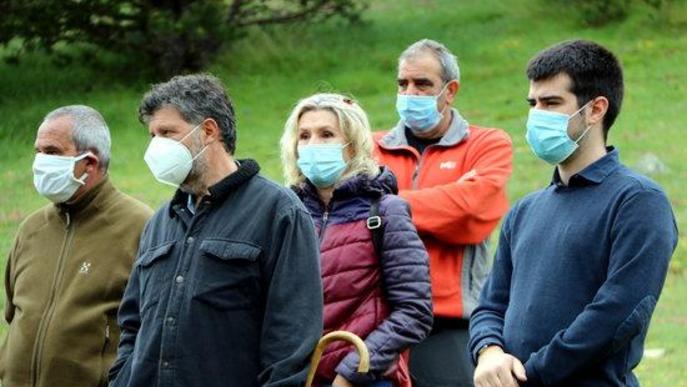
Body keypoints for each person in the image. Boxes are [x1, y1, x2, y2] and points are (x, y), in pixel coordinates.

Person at [469, 40, 678, 387]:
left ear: (596, 109)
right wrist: (488, 351)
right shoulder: (525, 210)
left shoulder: (638, 201)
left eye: (551, 103)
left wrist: (529, 376)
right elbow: (490, 304)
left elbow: (619, 313)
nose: (536, 114)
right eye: (532, 103)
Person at [108, 74, 323, 387]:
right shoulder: (159, 223)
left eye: (167, 132)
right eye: (152, 134)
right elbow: (132, 324)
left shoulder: (278, 212)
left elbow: (291, 338)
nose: (155, 146)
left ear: (208, 130)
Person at [373, 39, 513, 386]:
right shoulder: (369, 148)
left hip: (450, 324)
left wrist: (385, 207)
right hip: (378, 326)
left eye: (422, 84)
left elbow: (473, 213)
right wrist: (447, 205)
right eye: (402, 83)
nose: (410, 92)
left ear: (450, 91)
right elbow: (350, 217)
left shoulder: (487, 143)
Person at [280, 93, 433, 387]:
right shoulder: (285, 214)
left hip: (363, 380)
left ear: (353, 145)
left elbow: (414, 310)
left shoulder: (385, 212)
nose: (313, 144)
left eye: (327, 134)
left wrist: (351, 373)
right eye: (304, 136)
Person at [0, 105, 153, 387]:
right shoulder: (31, 228)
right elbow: (14, 314)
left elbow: (153, 332)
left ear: (90, 163)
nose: (40, 162)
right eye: (38, 151)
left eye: (52, 152)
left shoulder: (142, 227)